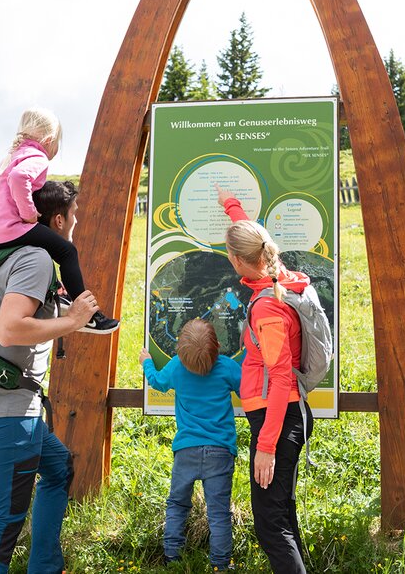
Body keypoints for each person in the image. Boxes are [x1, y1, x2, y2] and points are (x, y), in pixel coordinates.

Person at [0, 180, 99, 574]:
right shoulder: (36, 259)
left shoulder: (11, 253)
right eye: (73, 216)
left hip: (3, 402)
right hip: (6, 412)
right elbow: (9, 330)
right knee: (0, 526)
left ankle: (45, 566)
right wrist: (71, 321)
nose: (74, 223)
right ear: (59, 219)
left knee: (58, 468)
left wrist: (76, 317)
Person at [217, 186, 312, 573]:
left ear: (238, 260)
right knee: (281, 514)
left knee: (271, 526)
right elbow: (249, 235)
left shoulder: (268, 308)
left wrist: (267, 446)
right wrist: (231, 206)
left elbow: (279, 376)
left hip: (279, 418)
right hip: (284, 415)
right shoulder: (277, 275)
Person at [0, 107, 118, 334]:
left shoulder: (6, 159)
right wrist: (29, 214)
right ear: (50, 140)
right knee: (67, 252)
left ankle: (60, 296)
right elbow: (19, 177)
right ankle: (88, 315)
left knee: (48, 248)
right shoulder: (37, 157)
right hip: (12, 229)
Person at [139, 319, 241, 570]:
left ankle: (172, 557)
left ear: (180, 350)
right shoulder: (227, 367)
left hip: (185, 450)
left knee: (177, 504)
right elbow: (247, 389)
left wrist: (147, 363)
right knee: (218, 514)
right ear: (216, 346)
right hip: (220, 451)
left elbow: (158, 383)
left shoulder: (176, 367)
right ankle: (220, 565)